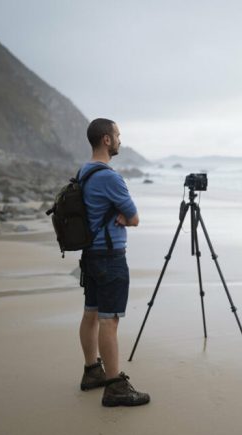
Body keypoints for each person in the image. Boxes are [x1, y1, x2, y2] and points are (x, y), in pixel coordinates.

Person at [77, 118, 150, 407]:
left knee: (91, 314)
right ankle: (115, 386)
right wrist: (124, 218)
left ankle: (91, 372)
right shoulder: (109, 176)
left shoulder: (84, 172)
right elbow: (134, 217)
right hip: (110, 257)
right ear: (106, 140)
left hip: (91, 255)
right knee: (109, 320)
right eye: (117, 135)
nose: (120, 139)